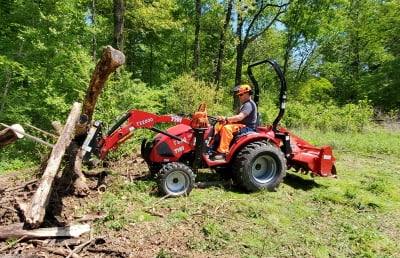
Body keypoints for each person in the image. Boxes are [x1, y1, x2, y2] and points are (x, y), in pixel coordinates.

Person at [212, 84, 258, 159]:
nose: (239, 96)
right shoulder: (245, 104)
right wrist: (224, 120)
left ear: (247, 93)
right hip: (241, 125)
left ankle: (223, 152)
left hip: (247, 127)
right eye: (239, 95)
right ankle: (213, 146)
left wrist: (226, 118)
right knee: (220, 126)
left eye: (241, 94)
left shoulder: (249, 105)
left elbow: (240, 117)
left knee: (227, 128)